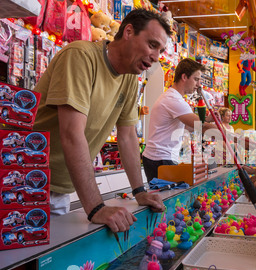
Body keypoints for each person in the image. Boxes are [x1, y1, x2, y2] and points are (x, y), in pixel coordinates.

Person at [32, 9, 170, 233]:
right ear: (128, 32)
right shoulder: (80, 56)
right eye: (152, 45)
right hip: (26, 178)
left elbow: (127, 137)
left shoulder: (129, 79)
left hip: (60, 187)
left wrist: (139, 191)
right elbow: (71, 134)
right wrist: (96, 207)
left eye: (160, 50)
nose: (156, 57)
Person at [142, 58, 218, 182]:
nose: (199, 84)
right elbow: (201, 127)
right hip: (160, 158)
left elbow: (188, 127)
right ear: (184, 77)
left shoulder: (174, 98)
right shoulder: (173, 100)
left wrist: (208, 120)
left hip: (160, 158)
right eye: (196, 79)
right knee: (173, 198)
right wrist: (234, 138)